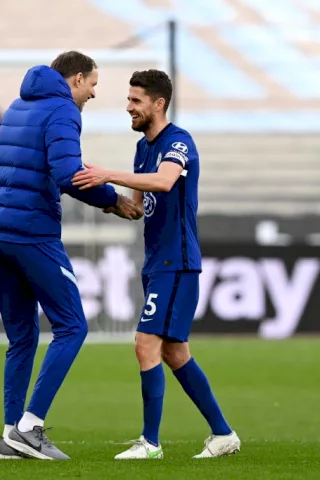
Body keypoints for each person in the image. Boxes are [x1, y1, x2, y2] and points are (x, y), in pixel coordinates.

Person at [72, 69, 241, 460]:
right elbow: (136, 206)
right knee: (175, 352)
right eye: (128, 99)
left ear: (158, 104)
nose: (128, 107)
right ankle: (223, 434)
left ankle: (150, 443)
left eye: (135, 101)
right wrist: (105, 195)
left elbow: (164, 183)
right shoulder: (142, 149)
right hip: (155, 263)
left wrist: (107, 172)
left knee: (145, 342)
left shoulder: (178, 143)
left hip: (176, 262)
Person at [0, 51, 143, 461]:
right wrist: (112, 201)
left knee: (22, 337)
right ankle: (31, 426)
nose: (92, 94)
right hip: (32, 233)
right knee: (72, 325)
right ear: (75, 78)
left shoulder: (18, 107)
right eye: (92, 84)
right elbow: (68, 174)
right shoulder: (62, 111)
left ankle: (9, 435)